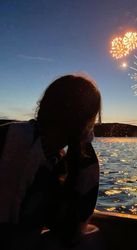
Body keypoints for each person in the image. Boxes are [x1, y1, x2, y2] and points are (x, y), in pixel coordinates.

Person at [0, 74, 102, 249]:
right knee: (92, 239)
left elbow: (60, 224)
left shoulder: (49, 156)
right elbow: (74, 231)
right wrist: (87, 160)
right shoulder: (46, 159)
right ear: (85, 123)